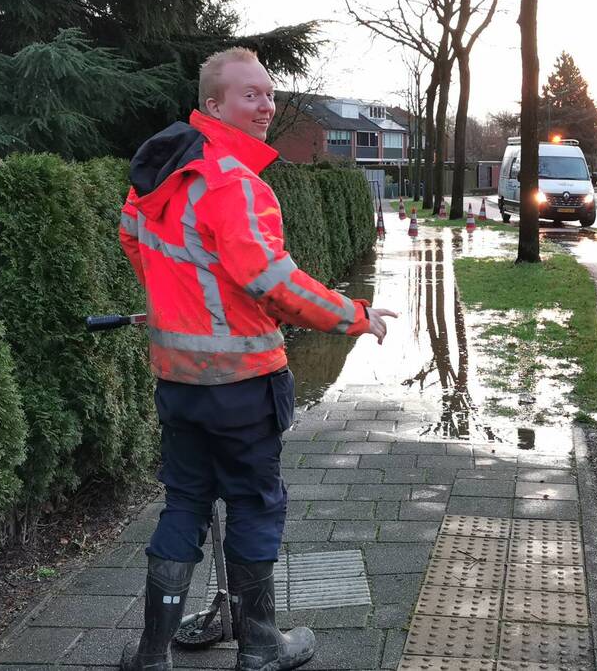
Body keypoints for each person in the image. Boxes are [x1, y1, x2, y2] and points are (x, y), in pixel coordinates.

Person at [117, 47, 396, 671]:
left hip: (178, 381)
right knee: (253, 505)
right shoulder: (234, 183)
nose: (266, 106)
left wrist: (175, 305)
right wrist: (354, 315)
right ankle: (261, 648)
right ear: (212, 105)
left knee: (184, 504)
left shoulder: (159, 178)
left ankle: (152, 655)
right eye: (250, 95)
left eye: (269, 94)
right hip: (242, 383)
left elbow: (136, 239)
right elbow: (272, 281)